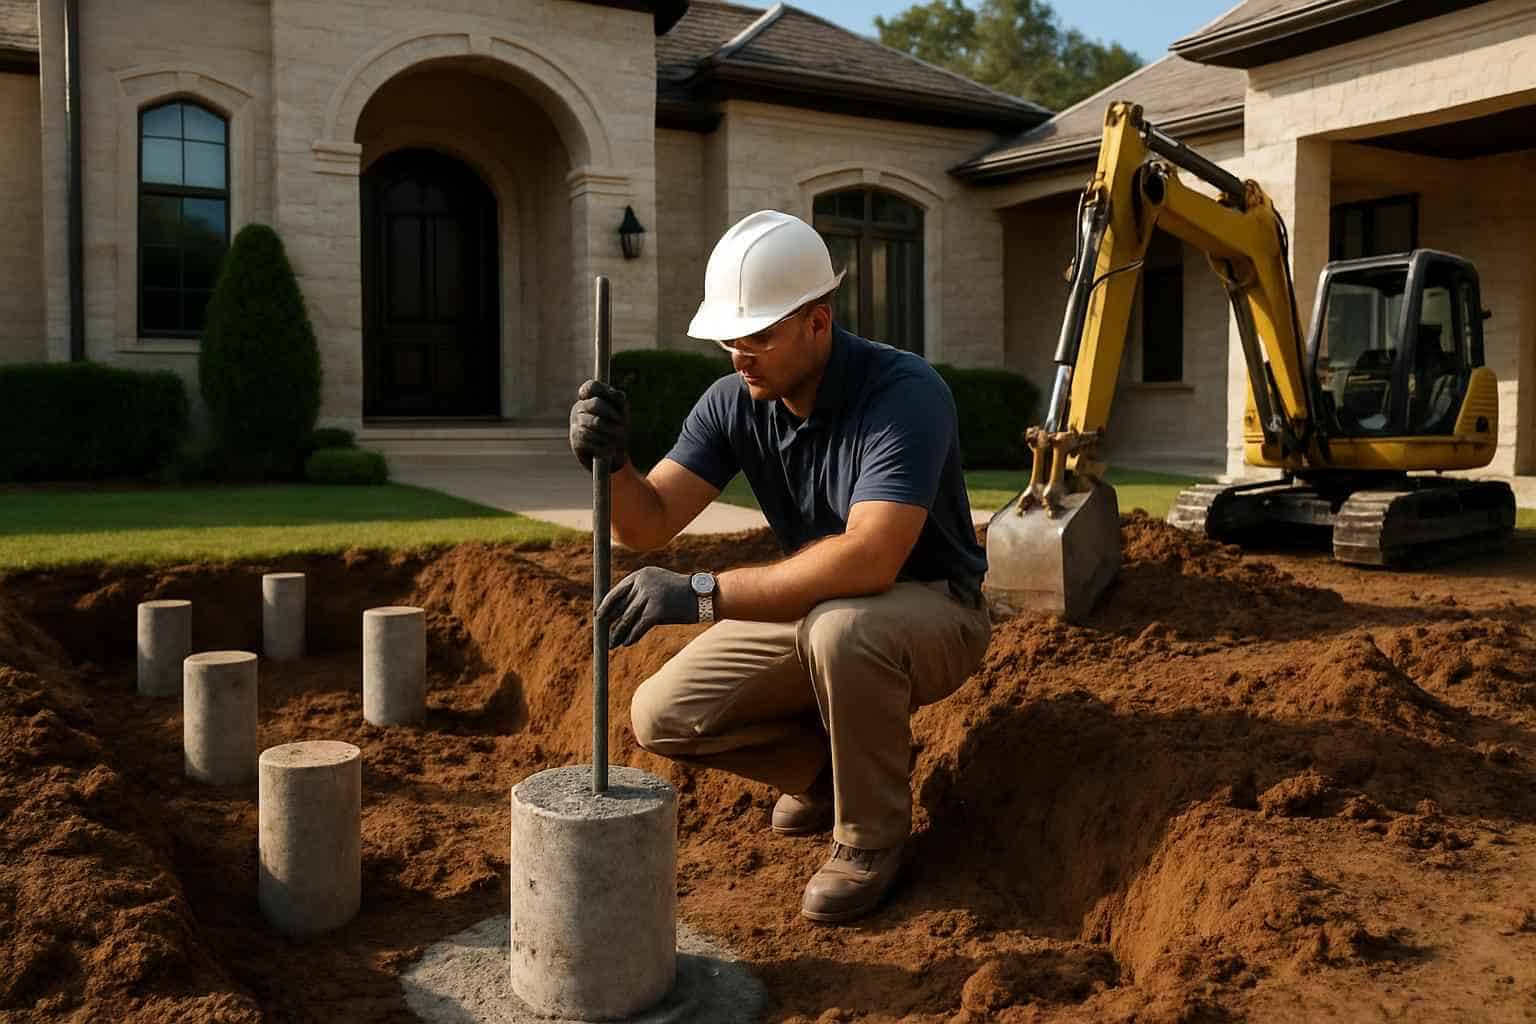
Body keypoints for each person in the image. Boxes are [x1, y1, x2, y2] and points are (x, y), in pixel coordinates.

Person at [568, 210, 990, 923]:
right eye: (731, 338)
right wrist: (610, 464)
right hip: (825, 605)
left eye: (759, 336)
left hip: (933, 607)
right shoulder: (736, 400)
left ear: (818, 322)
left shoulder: (904, 393)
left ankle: (870, 840)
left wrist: (702, 594)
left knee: (842, 631)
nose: (740, 355)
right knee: (662, 713)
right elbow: (648, 522)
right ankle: (829, 777)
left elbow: (871, 555)